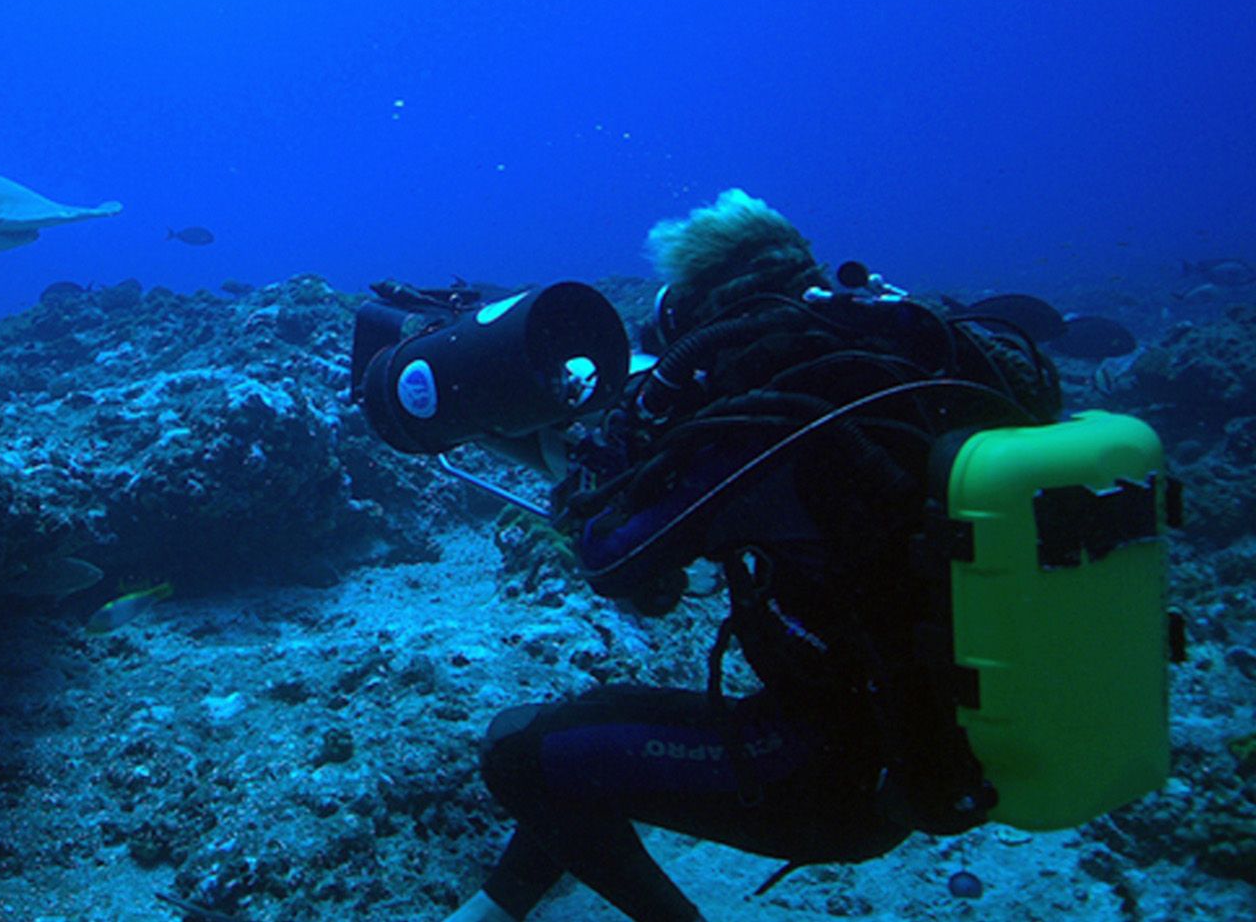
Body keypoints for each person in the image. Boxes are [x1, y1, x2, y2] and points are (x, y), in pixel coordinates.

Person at [443, 190, 1066, 922]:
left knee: (520, 753)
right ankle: (501, 903)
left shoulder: (777, 425)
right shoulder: (899, 373)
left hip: (830, 776)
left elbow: (612, 562)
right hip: (945, 743)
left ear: (704, 310)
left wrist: (613, 445)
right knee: (588, 722)